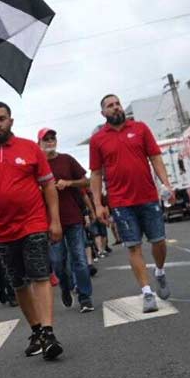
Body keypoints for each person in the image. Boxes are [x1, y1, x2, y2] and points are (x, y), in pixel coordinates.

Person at [0, 102, 65, 359]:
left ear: (11, 121)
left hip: (33, 223)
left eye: (2, 118)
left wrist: (54, 221)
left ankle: (49, 333)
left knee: (40, 275)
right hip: (1, 230)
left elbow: (49, 186)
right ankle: (36, 330)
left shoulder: (30, 148)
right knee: (18, 283)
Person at [89, 93, 176, 314]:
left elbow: (155, 158)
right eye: (110, 105)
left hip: (148, 196)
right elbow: (96, 174)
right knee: (133, 246)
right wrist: (98, 204)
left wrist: (166, 185)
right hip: (121, 203)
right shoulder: (98, 140)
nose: (116, 107)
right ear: (103, 113)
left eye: (117, 103)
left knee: (159, 242)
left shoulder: (140, 128)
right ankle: (147, 292)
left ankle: (159, 271)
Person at [38, 128, 95, 313]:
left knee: (79, 258)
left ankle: (85, 297)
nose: (50, 141)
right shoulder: (36, 165)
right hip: (50, 221)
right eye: (46, 139)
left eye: (52, 138)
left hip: (72, 217)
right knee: (57, 262)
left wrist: (69, 183)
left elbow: (86, 181)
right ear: (39, 143)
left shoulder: (67, 159)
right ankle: (65, 286)